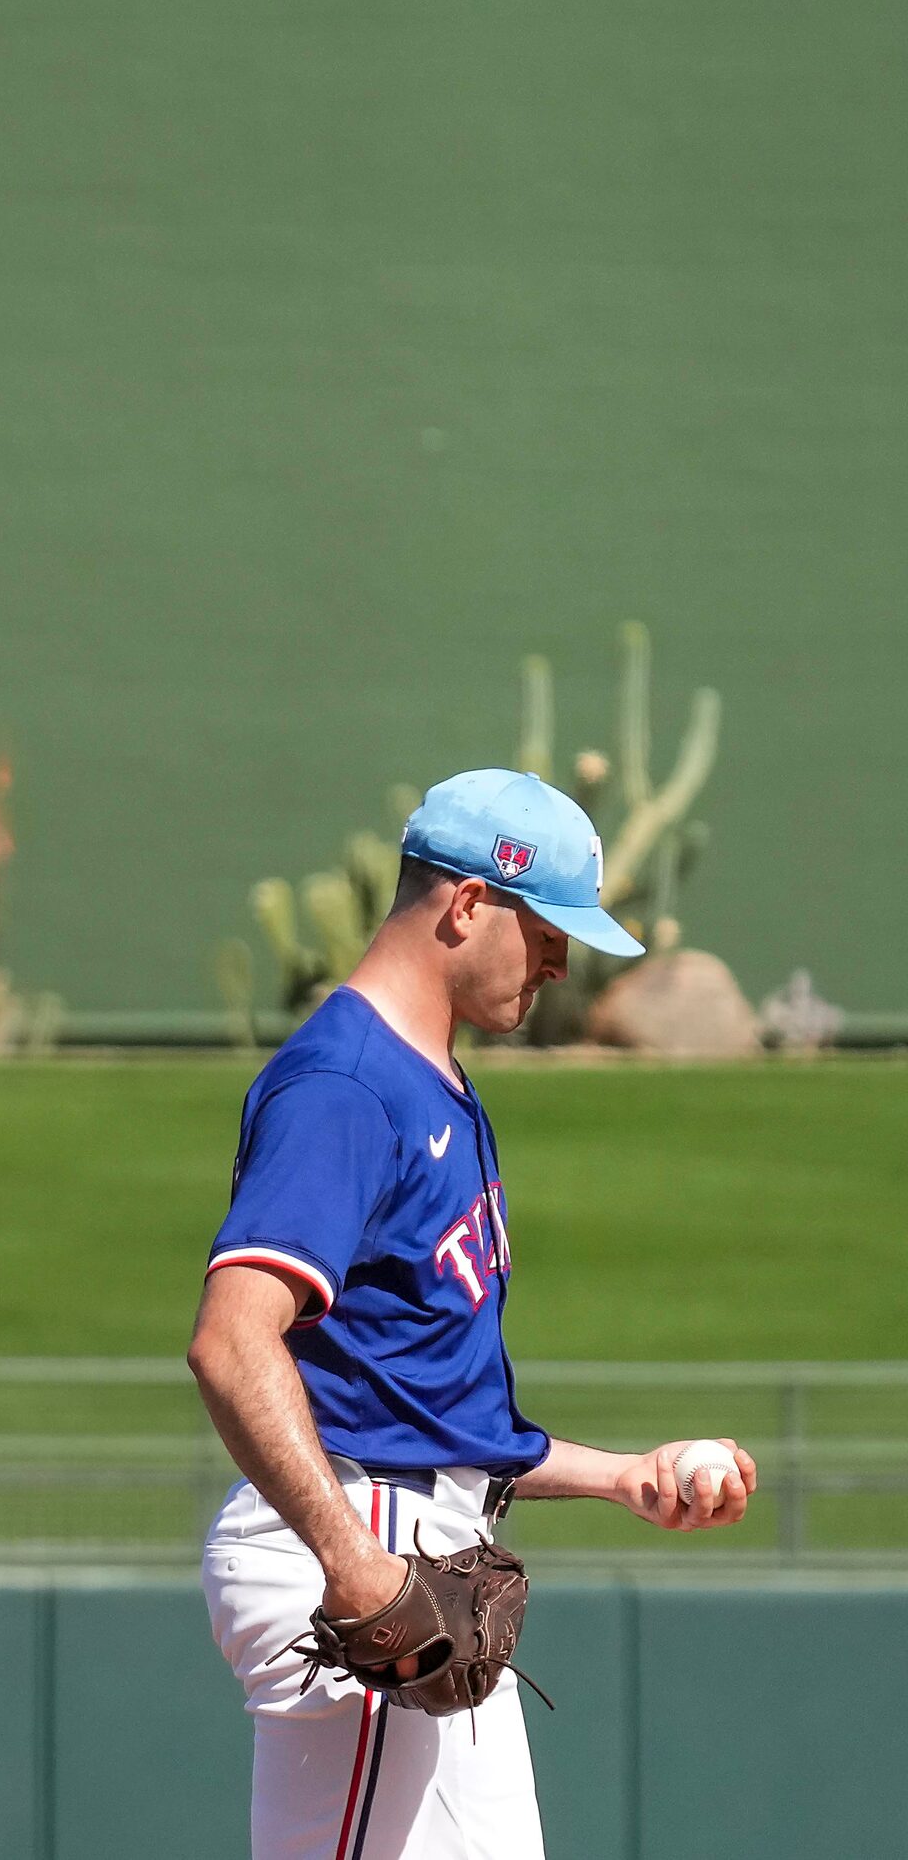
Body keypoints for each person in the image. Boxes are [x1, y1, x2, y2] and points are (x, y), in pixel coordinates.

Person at [187, 768, 757, 1860]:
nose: (559, 960)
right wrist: (350, 1560)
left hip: (410, 1525)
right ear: (464, 905)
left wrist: (622, 1474)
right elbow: (230, 1337)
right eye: (546, 930)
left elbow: (427, 1406)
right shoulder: (346, 1087)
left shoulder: (431, 1083)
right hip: (366, 1540)